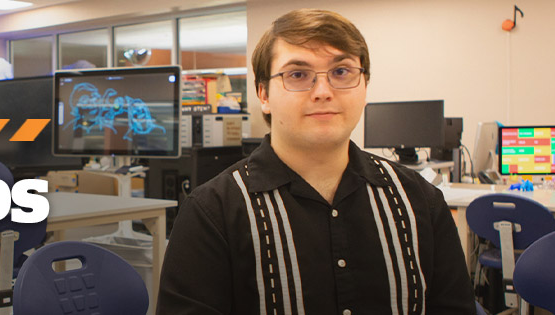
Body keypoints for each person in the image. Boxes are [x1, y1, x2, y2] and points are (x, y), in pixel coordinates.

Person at [157, 9, 474, 314]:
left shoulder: (420, 201)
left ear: (364, 85)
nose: (323, 91)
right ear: (263, 94)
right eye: (297, 74)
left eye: (341, 72)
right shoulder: (212, 212)